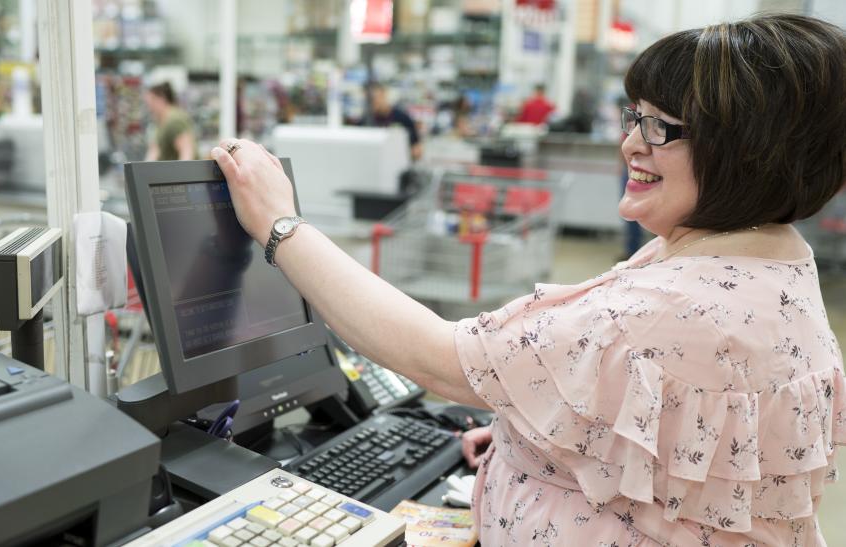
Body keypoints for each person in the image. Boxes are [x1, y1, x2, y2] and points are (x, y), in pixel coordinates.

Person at [209, 13, 846, 545]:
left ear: (747, 153)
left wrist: (280, 225)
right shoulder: (771, 257)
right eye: (635, 117)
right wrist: (543, 441)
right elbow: (691, 437)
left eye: (662, 128)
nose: (631, 145)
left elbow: (437, 360)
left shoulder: (666, 307)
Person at [144, 80, 197, 161]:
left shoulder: (174, 120)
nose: (149, 108)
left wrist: (182, 173)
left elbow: (187, 153)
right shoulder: (161, 121)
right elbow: (155, 150)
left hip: (179, 173)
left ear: (161, 99)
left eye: (151, 103)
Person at [369, 83, 422, 161]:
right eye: (371, 100)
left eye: (376, 98)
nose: (375, 102)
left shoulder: (402, 118)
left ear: (384, 95)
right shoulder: (368, 120)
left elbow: (417, 150)